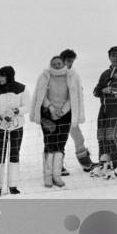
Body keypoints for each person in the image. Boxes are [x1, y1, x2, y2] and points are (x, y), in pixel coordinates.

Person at [30, 55, 83, 188]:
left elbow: (74, 97)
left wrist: (64, 110)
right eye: (54, 63)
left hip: (65, 115)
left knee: (60, 145)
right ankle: (47, 177)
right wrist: (52, 108)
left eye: (59, 63)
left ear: (63, 64)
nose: (57, 65)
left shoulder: (72, 76)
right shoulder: (45, 76)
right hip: (48, 115)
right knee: (49, 144)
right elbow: (41, 95)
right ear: (50, 64)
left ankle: (57, 176)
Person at [0, 66, 30, 196]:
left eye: (3, 76)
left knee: (14, 153)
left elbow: (27, 105)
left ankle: (13, 185)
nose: (0, 78)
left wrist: (18, 111)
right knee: (0, 154)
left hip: (16, 126)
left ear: (9, 76)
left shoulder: (22, 89)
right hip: (1, 126)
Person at [90, 45, 117, 178]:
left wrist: (112, 91)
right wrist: (102, 91)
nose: (115, 58)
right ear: (109, 57)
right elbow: (96, 91)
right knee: (101, 137)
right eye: (113, 55)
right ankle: (104, 164)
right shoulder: (105, 73)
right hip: (103, 108)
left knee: (111, 136)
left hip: (116, 107)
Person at [60, 49, 94, 173]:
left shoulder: (73, 75)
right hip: (59, 115)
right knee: (60, 140)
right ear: (62, 59)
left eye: (72, 61)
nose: (70, 64)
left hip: (71, 114)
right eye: (69, 61)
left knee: (78, 138)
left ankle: (86, 164)